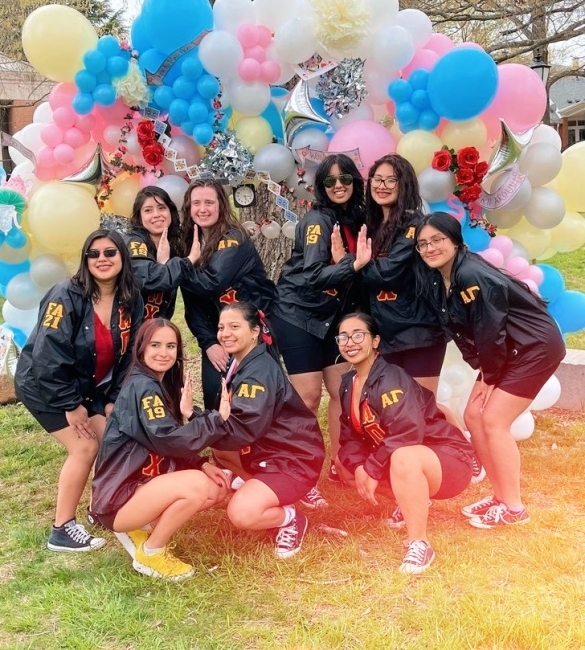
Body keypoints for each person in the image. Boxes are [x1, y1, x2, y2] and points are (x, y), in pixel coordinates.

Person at [413, 212, 566, 529]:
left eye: (437, 240)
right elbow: (461, 331)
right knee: (472, 415)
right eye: (422, 244)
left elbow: (489, 329)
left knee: (494, 420)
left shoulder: (470, 275)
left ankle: (513, 507)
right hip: (507, 350)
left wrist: (490, 378)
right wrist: (484, 371)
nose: (429, 248)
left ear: (455, 241)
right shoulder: (441, 277)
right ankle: (498, 496)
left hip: (533, 348)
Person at [15, 229, 143, 552]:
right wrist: (71, 405)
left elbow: (129, 356)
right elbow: (47, 357)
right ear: (85, 260)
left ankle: (100, 509)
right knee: (85, 447)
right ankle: (62, 529)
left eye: (110, 252)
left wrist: (113, 399)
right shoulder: (66, 295)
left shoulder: (131, 298)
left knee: (112, 438)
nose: (102, 259)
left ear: (122, 258)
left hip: (85, 385)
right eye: (94, 254)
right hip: (44, 384)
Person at [91, 319, 232, 581]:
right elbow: (167, 439)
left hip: (137, 486)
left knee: (215, 487)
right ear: (141, 348)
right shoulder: (143, 388)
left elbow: (164, 443)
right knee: (198, 486)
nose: (163, 352)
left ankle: (140, 529)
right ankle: (152, 553)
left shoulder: (157, 383)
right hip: (117, 499)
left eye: (171, 346)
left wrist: (201, 463)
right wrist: (216, 420)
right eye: (155, 345)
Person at [334, 312, 475, 574]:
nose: (350, 342)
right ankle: (412, 499)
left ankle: (419, 542)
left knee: (402, 456)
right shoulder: (347, 383)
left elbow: (407, 432)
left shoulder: (390, 378)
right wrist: (359, 468)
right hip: (415, 456)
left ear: (375, 341)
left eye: (358, 335)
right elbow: (349, 437)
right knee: (346, 463)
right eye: (343, 336)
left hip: (447, 460)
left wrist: (373, 467)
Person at [271, 153, 368, 483]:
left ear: (355, 181)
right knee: (308, 397)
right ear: (320, 187)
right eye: (329, 180)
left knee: (343, 391)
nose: (338, 185)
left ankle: (343, 464)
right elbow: (312, 274)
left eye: (345, 179)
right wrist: (349, 265)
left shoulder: (356, 219)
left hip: (333, 319)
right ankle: (296, 470)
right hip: (297, 314)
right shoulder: (318, 221)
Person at [210, 302, 326, 559]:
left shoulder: (257, 372)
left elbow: (242, 428)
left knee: (242, 513)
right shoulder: (245, 362)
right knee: (219, 447)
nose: (225, 333)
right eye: (221, 327)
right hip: (268, 451)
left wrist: (192, 426)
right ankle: (266, 491)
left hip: (292, 460)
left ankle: (291, 518)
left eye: (234, 326)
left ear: (254, 331)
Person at [180, 178, 275, 410]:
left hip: (250, 330)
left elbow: (211, 283)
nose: (203, 209)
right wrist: (209, 342)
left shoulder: (234, 237)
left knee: (254, 400)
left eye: (209, 202)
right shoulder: (188, 243)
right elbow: (193, 302)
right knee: (215, 398)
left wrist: (177, 268)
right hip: (218, 334)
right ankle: (224, 446)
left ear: (221, 205)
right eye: (197, 203)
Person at [126, 186, 199, 320]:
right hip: (130, 332)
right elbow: (150, 279)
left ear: (170, 211)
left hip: (157, 329)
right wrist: (190, 260)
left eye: (161, 208)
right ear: (139, 216)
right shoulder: (133, 242)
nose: (156, 214)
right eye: (148, 210)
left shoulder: (174, 244)